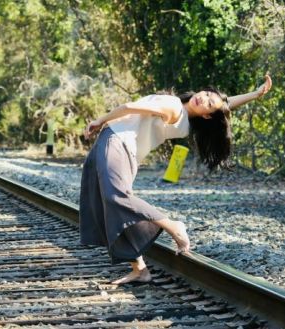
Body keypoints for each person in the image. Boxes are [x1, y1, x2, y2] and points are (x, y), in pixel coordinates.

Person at [80, 75, 272, 285]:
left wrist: (100, 120)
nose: (203, 98)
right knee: (104, 201)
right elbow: (224, 105)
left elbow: (128, 106)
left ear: (208, 116)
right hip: (117, 144)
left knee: (116, 197)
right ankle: (140, 269)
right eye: (206, 94)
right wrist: (255, 94)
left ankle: (173, 226)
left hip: (118, 141)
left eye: (208, 103)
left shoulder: (172, 105)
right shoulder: (186, 120)